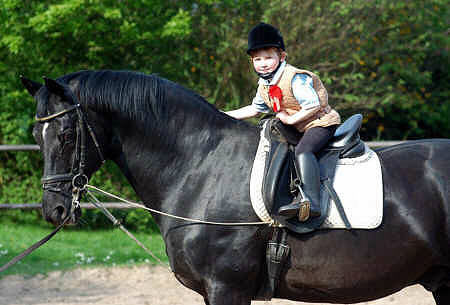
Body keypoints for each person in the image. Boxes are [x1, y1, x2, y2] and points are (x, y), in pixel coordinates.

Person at [226, 23, 341, 221]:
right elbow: (255, 109)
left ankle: (312, 202)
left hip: (320, 123)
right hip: (300, 127)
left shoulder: (294, 78)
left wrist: (290, 119)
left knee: (303, 151)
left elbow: (313, 105)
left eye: (268, 57)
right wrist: (223, 115)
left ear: (282, 56)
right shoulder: (265, 84)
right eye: (257, 59)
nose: (263, 63)